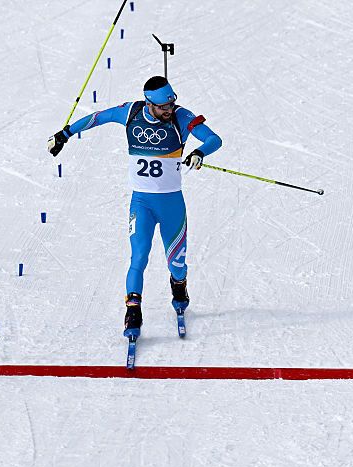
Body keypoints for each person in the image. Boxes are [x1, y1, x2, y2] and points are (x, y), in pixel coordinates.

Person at [47, 76, 222, 337]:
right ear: (150, 103)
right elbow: (99, 117)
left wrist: (200, 153)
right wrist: (65, 133)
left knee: (176, 263)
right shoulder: (131, 112)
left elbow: (214, 139)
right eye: (163, 107)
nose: (169, 110)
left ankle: (179, 285)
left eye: (171, 104)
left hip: (171, 203)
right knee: (138, 256)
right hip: (141, 202)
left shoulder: (181, 117)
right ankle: (133, 310)